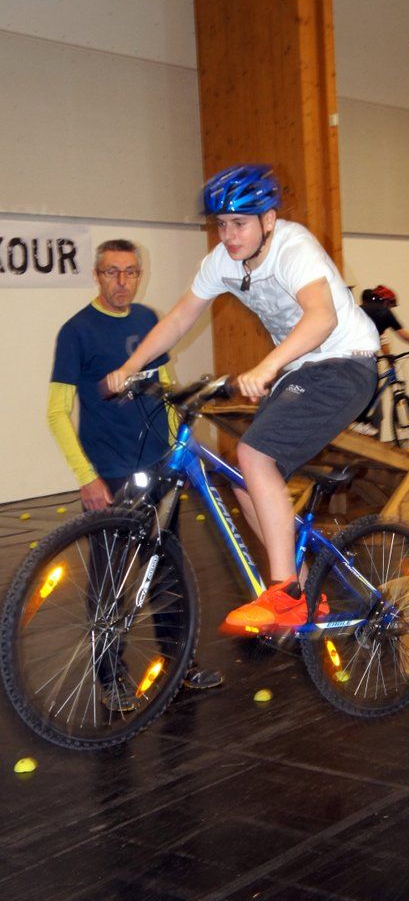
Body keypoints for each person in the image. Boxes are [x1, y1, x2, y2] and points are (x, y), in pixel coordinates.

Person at [104, 165, 380, 632]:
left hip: (345, 363)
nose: (228, 236)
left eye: (240, 223)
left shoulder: (294, 247)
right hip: (302, 369)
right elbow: (179, 318)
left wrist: (267, 367)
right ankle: (307, 593)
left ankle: (285, 593)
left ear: (268, 220)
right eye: (221, 224)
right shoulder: (222, 262)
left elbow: (322, 318)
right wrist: (131, 367)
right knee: (244, 479)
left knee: (253, 455)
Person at [47, 239, 223, 706]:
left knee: (167, 569)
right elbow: (56, 412)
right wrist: (86, 476)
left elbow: (163, 389)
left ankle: (180, 664)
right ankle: (110, 677)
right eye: (112, 272)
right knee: (110, 579)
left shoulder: (148, 320)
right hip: (109, 473)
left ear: (139, 275)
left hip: (158, 468)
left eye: (130, 272)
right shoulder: (76, 332)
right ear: (96, 275)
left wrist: (178, 451)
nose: (122, 282)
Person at [353, 285, 409, 435]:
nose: (391, 308)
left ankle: (359, 419)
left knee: (366, 383)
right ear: (385, 301)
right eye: (391, 304)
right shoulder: (384, 311)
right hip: (360, 354)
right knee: (371, 383)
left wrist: (387, 355)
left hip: (347, 352)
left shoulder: (360, 309)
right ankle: (359, 421)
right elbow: (403, 334)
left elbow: (379, 338)